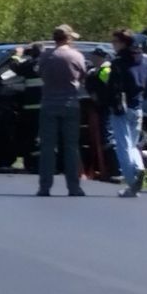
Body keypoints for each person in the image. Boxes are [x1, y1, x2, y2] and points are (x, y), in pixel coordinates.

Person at [36, 25, 87, 198]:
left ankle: (45, 187)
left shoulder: (46, 56)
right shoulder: (76, 56)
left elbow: (40, 74)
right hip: (70, 103)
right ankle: (74, 187)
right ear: (68, 38)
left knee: (48, 147)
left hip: (49, 103)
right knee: (71, 147)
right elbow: (82, 76)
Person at [108, 28, 147, 197]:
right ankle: (139, 167)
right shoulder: (144, 61)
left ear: (124, 43)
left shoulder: (119, 62)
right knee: (133, 144)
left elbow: (112, 86)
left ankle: (131, 182)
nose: (113, 45)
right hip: (137, 107)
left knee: (122, 146)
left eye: (115, 42)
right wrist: (140, 98)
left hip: (121, 109)